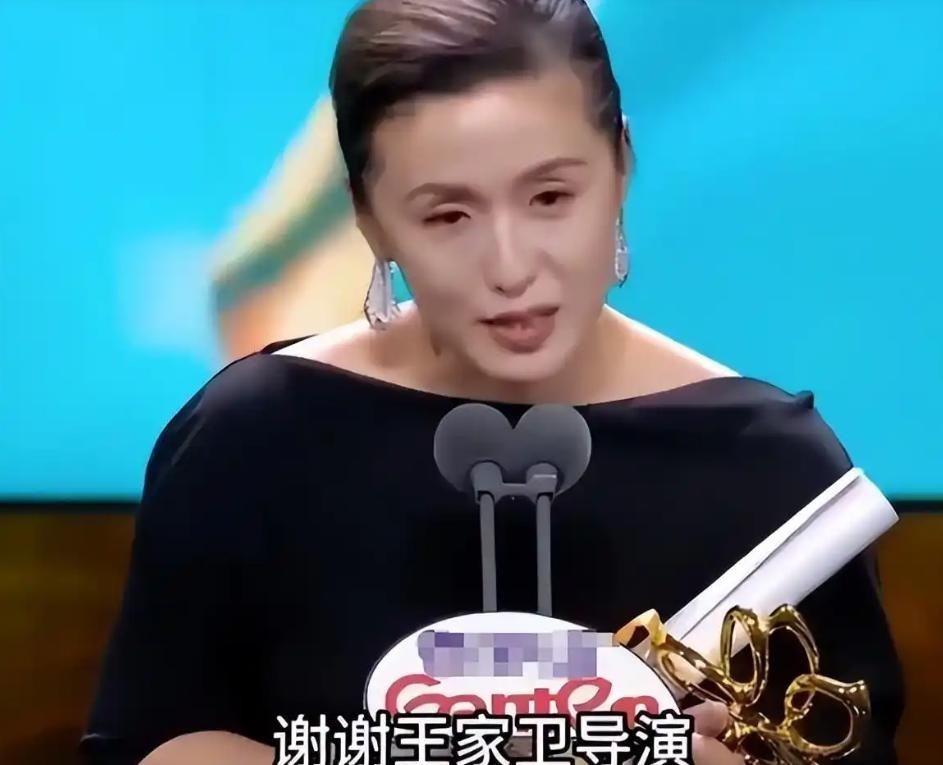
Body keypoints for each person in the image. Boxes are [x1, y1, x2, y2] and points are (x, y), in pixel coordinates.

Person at [80, 1, 904, 763]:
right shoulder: (251, 439)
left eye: (549, 196)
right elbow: (154, 742)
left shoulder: (774, 474)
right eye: (448, 215)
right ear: (367, 216)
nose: (510, 268)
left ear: (620, 164)